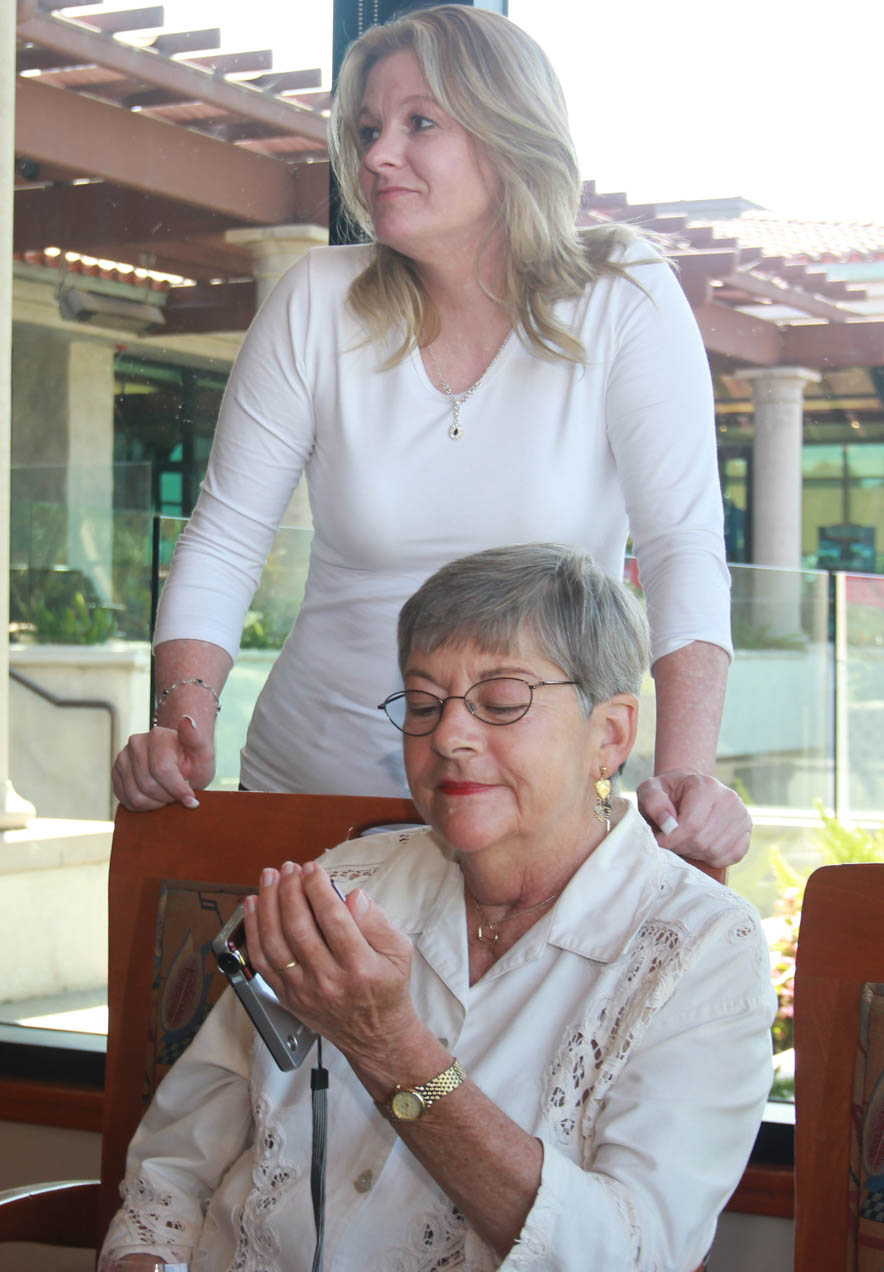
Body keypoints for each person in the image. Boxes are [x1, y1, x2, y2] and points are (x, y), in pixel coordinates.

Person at [112, 4, 747, 866]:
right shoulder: (315, 299)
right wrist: (181, 728)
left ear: (507, 133)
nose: (376, 155)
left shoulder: (622, 291)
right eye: (368, 129)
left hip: (532, 816)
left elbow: (682, 549)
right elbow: (225, 540)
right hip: (312, 794)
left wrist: (685, 778)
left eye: (419, 123)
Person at [103, 544, 775, 1271]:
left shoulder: (700, 952)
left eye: (501, 702)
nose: (448, 737)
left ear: (609, 734)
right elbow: (169, 1179)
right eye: (423, 704)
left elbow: (627, 1254)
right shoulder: (342, 883)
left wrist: (394, 1049)